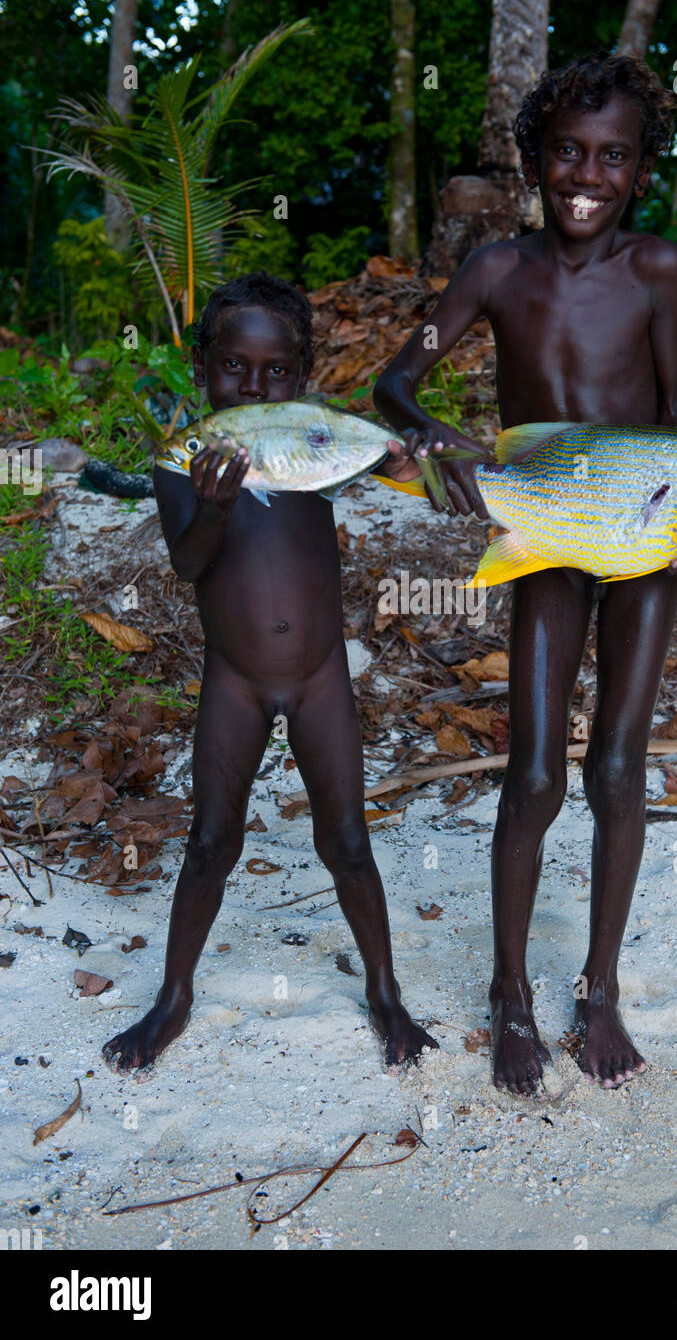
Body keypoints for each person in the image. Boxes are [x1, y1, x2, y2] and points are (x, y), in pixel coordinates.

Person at [374, 51, 677, 1094]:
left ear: (640, 170)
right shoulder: (495, 273)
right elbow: (398, 378)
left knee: (617, 770)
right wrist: (442, 442)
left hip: (642, 540)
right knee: (539, 773)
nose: (586, 176)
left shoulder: (659, 271)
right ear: (532, 161)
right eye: (567, 154)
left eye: (612, 158)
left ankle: (599, 990)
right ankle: (510, 993)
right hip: (549, 530)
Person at [103, 272, 436, 1073]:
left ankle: (385, 993)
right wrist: (214, 504)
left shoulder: (314, 447)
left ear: (302, 375)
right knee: (212, 841)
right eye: (233, 367)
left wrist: (407, 458)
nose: (253, 385)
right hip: (237, 680)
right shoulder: (180, 460)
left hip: (321, 675)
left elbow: (390, 470)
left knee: (348, 841)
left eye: (277, 371)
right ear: (203, 369)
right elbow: (188, 563)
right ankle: (174, 997)